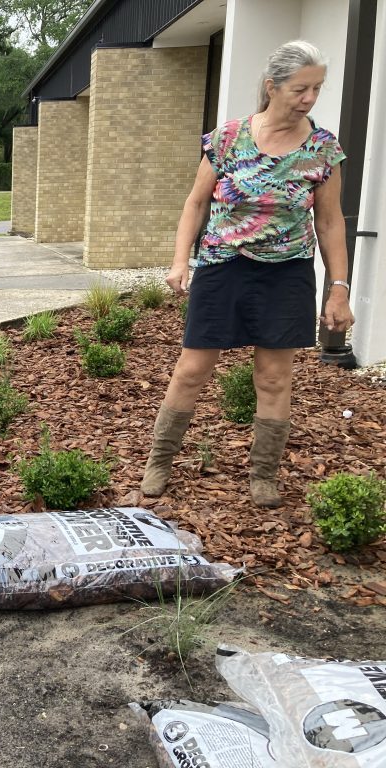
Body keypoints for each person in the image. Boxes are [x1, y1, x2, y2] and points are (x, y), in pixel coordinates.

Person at [140, 40, 354, 508]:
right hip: (222, 268)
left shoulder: (323, 149)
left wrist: (339, 287)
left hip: (287, 272)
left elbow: (331, 221)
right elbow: (197, 203)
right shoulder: (228, 137)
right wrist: (181, 260)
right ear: (271, 86)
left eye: (317, 88)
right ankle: (159, 460)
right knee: (192, 370)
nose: (310, 98)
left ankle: (264, 473)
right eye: (301, 88)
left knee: (274, 377)